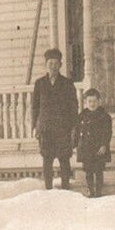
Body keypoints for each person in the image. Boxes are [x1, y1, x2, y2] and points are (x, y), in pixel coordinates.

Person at [31, 48, 78, 190]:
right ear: (46, 65)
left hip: (63, 128)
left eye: (56, 63)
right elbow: (35, 107)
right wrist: (35, 126)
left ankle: (65, 188)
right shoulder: (39, 83)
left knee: (64, 159)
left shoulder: (67, 83)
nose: (53, 66)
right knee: (47, 159)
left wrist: (73, 127)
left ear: (60, 65)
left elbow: (73, 106)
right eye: (50, 63)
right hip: (46, 128)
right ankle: (48, 189)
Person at [75, 88, 113, 198]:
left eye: (95, 101)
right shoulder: (82, 115)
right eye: (90, 101)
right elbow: (77, 131)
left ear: (99, 101)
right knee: (88, 171)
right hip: (86, 148)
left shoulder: (104, 116)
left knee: (99, 170)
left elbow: (108, 132)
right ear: (86, 102)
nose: (92, 104)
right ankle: (91, 191)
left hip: (99, 148)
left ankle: (99, 192)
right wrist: (76, 144)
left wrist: (104, 145)